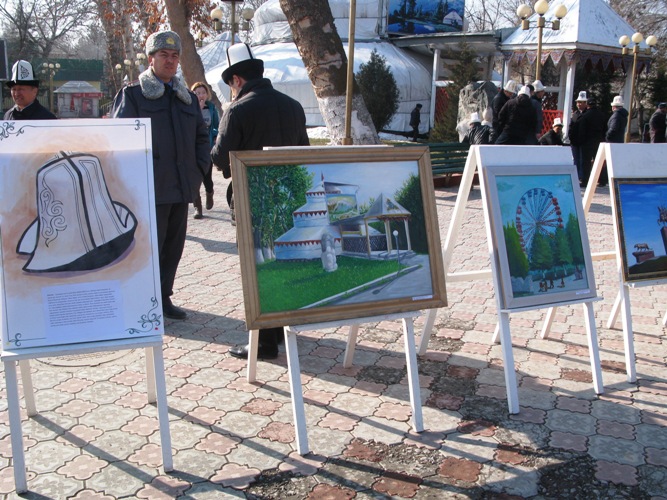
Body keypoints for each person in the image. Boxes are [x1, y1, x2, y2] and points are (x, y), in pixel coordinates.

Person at [211, 43, 309, 360]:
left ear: (236, 80)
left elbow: (220, 157)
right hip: (288, 199)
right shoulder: (293, 106)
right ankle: (277, 330)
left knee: (259, 269)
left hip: (253, 200)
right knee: (281, 261)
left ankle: (264, 343)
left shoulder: (237, 110)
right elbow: (303, 153)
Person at [112, 30, 210, 320]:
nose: (170, 61)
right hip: (147, 191)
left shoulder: (186, 98)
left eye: (174, 56)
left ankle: (163, 297)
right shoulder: (133, 95)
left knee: (172, 248)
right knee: (146, 249)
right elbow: (118, 142)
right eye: (163, 55)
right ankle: (141, 301)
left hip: (181, 188)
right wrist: (132, 182)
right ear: (151, 58)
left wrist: (197, 172)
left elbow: (201, 138)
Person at [190, 81, 220, 219]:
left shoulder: (211, 108)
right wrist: (198, 109)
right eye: (197, 93)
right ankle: (197, 207)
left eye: (203, 93)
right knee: (194, 178)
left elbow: (216, 126)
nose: (200, 95)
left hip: (207, 146)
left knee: (207, 176)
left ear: (207, 94)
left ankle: (209, 192)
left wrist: (215, 136)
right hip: (192, 147)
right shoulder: (189, 107)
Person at [576, 95, 607, 186]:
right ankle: (602, 180)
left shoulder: (585, 116)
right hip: (599, 141)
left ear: (587, 105)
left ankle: (585, 180)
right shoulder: (602, 115)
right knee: (599, 161)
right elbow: (605, 129)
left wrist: (580, 140)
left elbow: (582, 130)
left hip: (587, 141)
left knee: (586, 162)